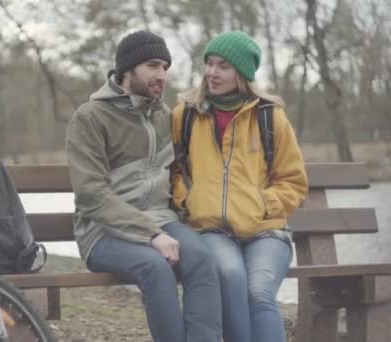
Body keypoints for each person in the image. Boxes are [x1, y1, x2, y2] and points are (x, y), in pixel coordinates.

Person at [65, 30, 222, 342]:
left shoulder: (164, 116)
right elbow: (91, 195)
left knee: (203, 259)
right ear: (127, 69)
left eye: (165, 67)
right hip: (103, 233)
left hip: (161, 222)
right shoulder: (90, 118)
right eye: (153, 65)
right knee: (156, 268)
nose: (161, 75)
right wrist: (150, 235)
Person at [171, 31, 309, 342]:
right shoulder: (186, 114)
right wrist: (188, 199)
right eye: (209, 63)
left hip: (266, 231)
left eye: (223, 66)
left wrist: (262, 206)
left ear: (242, 73)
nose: (212, 72)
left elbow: (293, 180)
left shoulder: (269, 116)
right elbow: (173, 170)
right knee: (231, 276)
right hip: (211, 230)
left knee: (258, 292)